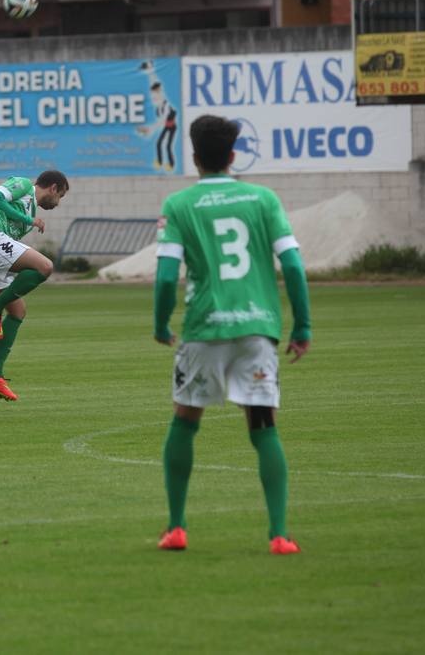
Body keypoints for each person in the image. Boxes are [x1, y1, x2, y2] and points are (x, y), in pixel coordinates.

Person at [152, 115, 311, 555]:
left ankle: (177, 527)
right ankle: (279, 534)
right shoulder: (263, 200)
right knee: (262, 426)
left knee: (184, 420)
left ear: (195, 156)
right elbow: (294, 266)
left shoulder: (180, 205)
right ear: (233, 156)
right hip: (257, 329)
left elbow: (167, 278)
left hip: (204, 329)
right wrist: (302, 326)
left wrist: (161, 323)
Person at [0, 170, 70, 401]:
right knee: (44, 267)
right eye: (60, 196)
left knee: (18, 310)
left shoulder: (31, 211)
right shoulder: (23, 185)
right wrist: (29, 220)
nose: (57, 203)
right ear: (53, 188)